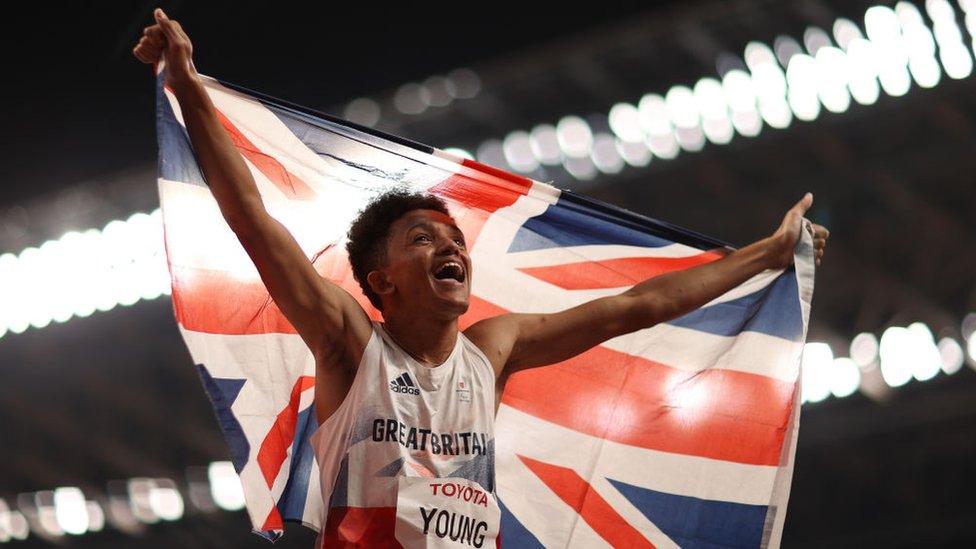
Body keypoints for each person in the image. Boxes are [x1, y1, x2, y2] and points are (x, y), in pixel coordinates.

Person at [134, 8, 829, 547]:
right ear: (383, 282)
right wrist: (189, 87)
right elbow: (253, 219)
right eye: (422, 238)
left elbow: (637, 305)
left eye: (453, 238)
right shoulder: (351, 343)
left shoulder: (492, 350)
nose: (450, 247)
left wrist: (764, 256)